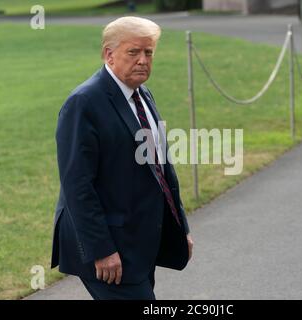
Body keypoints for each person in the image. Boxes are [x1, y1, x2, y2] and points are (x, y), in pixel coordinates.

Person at [50, 16, 194, 300]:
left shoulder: (142, 95)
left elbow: (161, 170)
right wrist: (101, 249)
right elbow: (77, 185)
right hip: (106, 247)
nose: (143, 60)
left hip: (138, 240)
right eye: (133, 52)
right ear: (109, 54)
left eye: (148, 52)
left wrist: (180, 228)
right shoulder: (84, 102)